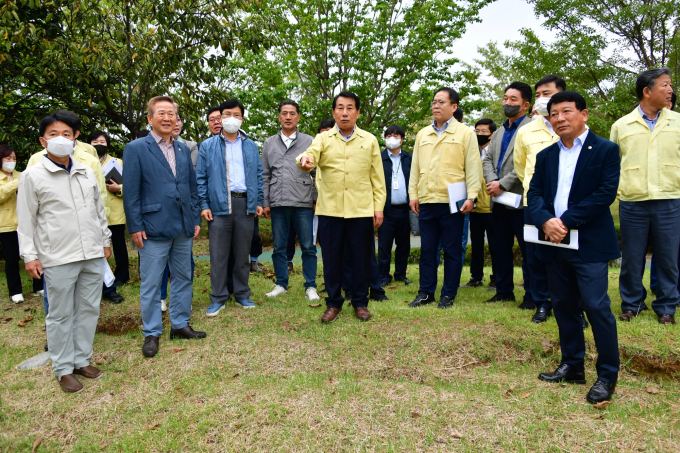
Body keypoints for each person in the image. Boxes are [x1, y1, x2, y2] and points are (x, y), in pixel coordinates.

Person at [528, 91, 621, 404]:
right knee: (563, 305)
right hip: (554, 242)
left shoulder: (605, 150)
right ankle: (572, 365)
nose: (559, 119)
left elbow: (605, 193)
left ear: (584, 114)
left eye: (566, 111)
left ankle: (607, 375)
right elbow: (535, 193)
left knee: (596, 307)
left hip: (589, 243)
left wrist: (564, 220)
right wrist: (545, 221)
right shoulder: (546, 156)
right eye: (553, 114)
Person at [17, 113, 112, 393]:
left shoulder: (85, 171)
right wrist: (30, 255)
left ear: (75, 138)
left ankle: (81, 359)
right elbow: (26, 220)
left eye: (67, 133)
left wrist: (105, 241)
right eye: (54, 133)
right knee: (60, 314)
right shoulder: (33, 175)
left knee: (88, 308)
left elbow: (98, 212)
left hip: (92, 253)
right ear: (42, 140)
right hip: (57, 255)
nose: (61, 138)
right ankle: (62, 367)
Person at [123, 96, 205, 358]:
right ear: (150, 118)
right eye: (161, 113)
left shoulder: (182, 149)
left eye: (172, 113)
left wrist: (194, 219)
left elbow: (190, 187)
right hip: (151, 226)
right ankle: (151, 332)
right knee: (151, 282)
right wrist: (135, 225)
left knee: (183, 276)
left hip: (182, 226)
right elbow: (131, 192)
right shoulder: (136, 148)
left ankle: (180, 324)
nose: (168, 118)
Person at [297, 91, 386, 323]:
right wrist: (304, 161)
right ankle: (334, 303)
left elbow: (377, 178)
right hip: (330, 210)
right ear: (334, 112)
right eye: (339, 108)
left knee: (361, 258)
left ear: (357, 112)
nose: (344, 112)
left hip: (361, 210)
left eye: (349, 108)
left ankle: (360, 302)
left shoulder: (370, 140)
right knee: (332, 259)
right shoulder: (323, 139)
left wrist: (378, 207)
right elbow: (309, 155)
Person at [611, 68, 679, 325]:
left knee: (668, 257)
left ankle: (666, 306)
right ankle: (632, 303)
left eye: (670, 84)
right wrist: (622, 192)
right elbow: (614, 165)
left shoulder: (678, 122)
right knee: (632, 256)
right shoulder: (622, 125)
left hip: (671, 199)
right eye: (665, 85)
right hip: (633, 201)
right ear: (647, 91)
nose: (670, 89)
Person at [408, 87, 482, 309]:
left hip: (454, 202)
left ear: (454, 106)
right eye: (433, 102)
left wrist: (472, 196)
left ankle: (448, 294)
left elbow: (473, 167)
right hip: (428, 200)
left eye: (441, 102)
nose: (436, 106)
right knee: (428, 250)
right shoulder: (423, 134)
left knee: (451, 250)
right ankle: (425, 292)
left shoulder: (465, 133)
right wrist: (414, 194)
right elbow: (415, 168)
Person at [197, 98, 264, 315]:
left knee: (242, 253)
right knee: (218, 255)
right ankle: (218, 297)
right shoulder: (207, 146)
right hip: (218, 205)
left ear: (242, 118)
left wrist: (259, 201)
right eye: (227, 114)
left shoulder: (251, 145)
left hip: (245, 204)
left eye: (236, 114)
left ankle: (242, 294)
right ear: (220, 117)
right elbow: (201, 178)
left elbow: (258, 175)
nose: (231, 119)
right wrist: (204, 204)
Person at [513, 75, 565, 322]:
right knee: (535, 256)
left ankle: (569, 303)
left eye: (548, 93)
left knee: (567, 256)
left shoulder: (573, 127)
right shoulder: (526, 131)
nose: (542, 99)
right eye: (539, 95)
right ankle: (541, 302)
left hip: (566, 203)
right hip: (534, 203)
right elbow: (521, 166)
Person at [261, 100, 319, 300]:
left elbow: (316, 173)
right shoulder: (269, 143)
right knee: (278, 246)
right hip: (278, 201)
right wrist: (266, 201)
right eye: (284, 113)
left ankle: (310, 286)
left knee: (308, 246)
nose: (288, 117)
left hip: (303, 202)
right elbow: (265, 175)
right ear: (279, 116)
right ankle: (280, 284)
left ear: (298, 117)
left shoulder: (309, 141)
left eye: (292, 113)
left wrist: (315, 198)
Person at [481, 82, 533, 305]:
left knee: (528, 251)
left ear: (526, 104)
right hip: (497, 201)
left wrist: (502, 184)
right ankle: (503, 291)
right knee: (499, 248)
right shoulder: (500, 131)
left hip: (521, 202)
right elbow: (488, 160)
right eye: (505, 98)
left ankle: (532, 294)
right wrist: (493, 181)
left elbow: (527, 164)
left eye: (513, 99)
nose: (507, 103)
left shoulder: (532, 129)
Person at [87, 131, 127, 304]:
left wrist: (118, 188)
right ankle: (101, 280)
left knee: (119, 245)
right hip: (95, 212)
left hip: (115, 210)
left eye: (102, 141)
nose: (98, 144)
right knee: (97, 248)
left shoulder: (117, 162)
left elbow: (130, 185)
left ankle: (121, 275)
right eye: (95, 141)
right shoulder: (86, 162)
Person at [0, 145, 43, 303]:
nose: (11, 162)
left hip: (27, 224)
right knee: (11, 260)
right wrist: (17, 183)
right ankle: (15, 291)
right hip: (6, 225)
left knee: (35, 254)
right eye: (7, 158)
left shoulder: (23, 174)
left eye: (14, 159)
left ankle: (39, 286)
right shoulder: (20, 178)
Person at [461, 119, 497, 289]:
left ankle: (496, 278)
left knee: (496, 245)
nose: (480, 134)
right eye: (477, 131)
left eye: (484, 131)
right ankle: (476, 277)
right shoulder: (472, 151)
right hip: (475, 207)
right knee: (476, 245)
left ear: (492, 134)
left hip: (492, 207)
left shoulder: (496, 152)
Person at [378, 125, 412, 287]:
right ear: (384, 138)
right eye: (389, 135)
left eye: (396, 135)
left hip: (405, 209)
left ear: (402, 139)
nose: (392, 138)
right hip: (386, 209)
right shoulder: (379, 158)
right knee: (384, 245)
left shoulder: (409, 158)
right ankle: (383, 275)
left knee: (404, 244)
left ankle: (400, 274)